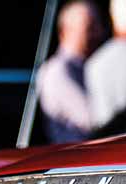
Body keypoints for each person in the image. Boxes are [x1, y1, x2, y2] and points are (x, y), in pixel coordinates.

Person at [36, 0, 106, 143]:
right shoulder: (59, 71)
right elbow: (95, 121)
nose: (98, 33)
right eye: (89, 27)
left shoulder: (90, 65)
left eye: (98, 26)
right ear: (65, 31)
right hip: (77, 152)